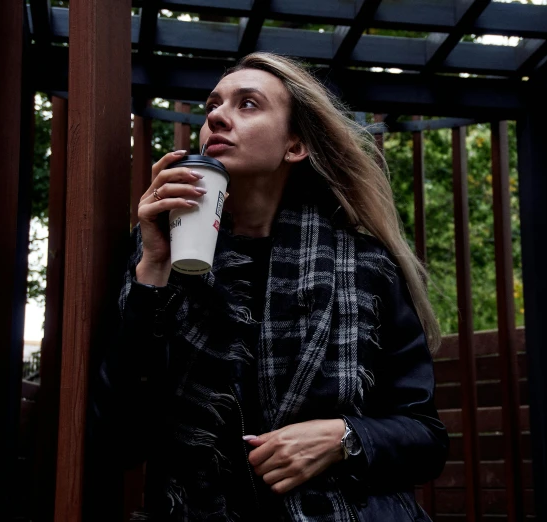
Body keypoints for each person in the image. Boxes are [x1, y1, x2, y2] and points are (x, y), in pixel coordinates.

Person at [97, 52, 448, 522]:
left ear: (295, 145)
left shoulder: (367, 266)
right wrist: (154, 269)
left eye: (247, 105)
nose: (217, 116)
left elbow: (425, 438)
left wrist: (343, 437)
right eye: (212, 106)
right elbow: (117, 439)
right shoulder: (154, 255)